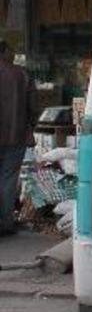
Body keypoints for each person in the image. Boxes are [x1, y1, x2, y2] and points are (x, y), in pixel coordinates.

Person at [0, 39, 33, 236]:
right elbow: (33, 107)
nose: (13, 54)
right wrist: (30, 126)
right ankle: (5, 222)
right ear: (3, 52)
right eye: (11, 50)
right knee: (8, 179)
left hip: (15, 135)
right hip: (16, 136)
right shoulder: (21, 74)